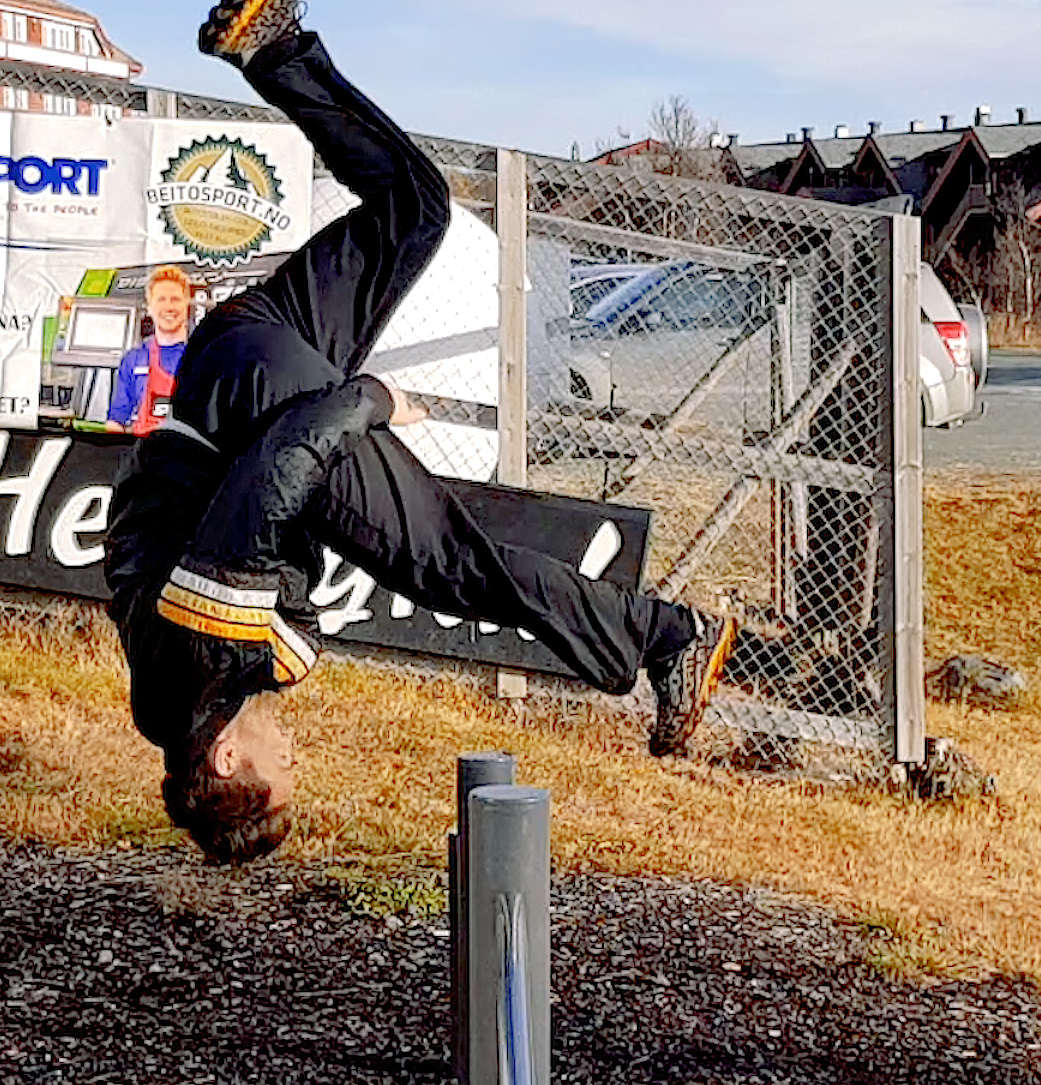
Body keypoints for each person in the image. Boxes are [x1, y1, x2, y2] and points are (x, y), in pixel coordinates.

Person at [104, 0, 739, 864]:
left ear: (224, 757)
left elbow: (277, 472)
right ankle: (276, 49)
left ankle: (667, 635)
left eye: (278, 767)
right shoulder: (174, 693)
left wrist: (365, 402)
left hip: (259, 413)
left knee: (455, 569)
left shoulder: (206, 657)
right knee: (415, 208)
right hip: (234, 362)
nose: (294, 754)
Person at [104, 264, 195, 436]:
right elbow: (115, 422)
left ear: (187, 304)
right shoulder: (134, 360)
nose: (168, 307)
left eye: (175, 299)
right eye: (161, 299)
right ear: (149, 307)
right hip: (144, 456)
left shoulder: (206, 356)